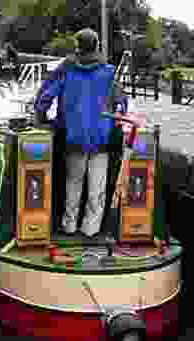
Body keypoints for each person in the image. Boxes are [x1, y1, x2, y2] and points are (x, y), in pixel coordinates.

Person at [33, 28, 128, 238]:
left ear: (77, 47)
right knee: (97, 188)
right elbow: (121, 103)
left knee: (73, 184)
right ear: (96, 46)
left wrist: (41, 117)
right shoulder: (109, 71)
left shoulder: (66, 69)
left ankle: (69, 225)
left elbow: (45, 96)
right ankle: (91, 229)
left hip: (73, 138)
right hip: (101, 140)